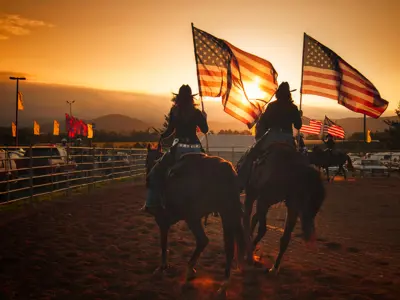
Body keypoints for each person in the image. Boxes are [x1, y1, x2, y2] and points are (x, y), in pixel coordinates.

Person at [141, 84, 209, 214]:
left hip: (179, 148)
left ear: (178, 97)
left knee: (154, 173)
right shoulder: (197, 113)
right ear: (191, 98)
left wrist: (162, 136)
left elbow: (170, 131)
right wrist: (204, 119)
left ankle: (151, 203)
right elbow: (205, 130)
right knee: (209, 170)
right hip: (196, 148)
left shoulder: (174, 111)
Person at [237, 81, 302, 191]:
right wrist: (299, 115)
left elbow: (263, 123)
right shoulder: (293, 107)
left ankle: (240, 182)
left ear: (278, 94)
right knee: (301, 159)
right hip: (288, 139)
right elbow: (298, 125)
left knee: (251, 154)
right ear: (288, 94)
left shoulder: (272, 106)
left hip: (272, 137)